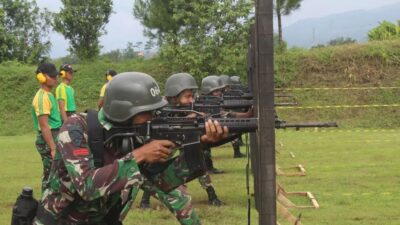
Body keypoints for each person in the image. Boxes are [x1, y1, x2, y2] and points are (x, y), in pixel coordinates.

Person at [34, 72, 227, 225]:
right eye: (147, 112)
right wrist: (140, 155)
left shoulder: (132, 136)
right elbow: (87, 186)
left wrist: (199, 145)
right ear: (124, 111)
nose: (153, 117)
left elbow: (163, 182)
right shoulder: (75, 129)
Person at [140, 73, 224, 208]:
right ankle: (145, 200)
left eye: (192, 96)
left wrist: (199, 118)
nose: (191, 100)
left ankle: (212, 195)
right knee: (152, 167)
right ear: (173, 97)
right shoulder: (158, 109)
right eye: (187, 96)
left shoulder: (188, 107)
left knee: (196, 158)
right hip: (161, 146)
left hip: (181, 141)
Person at [31, 63, 62, 194]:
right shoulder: (42, 97)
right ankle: (46, 205)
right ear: (41, 77)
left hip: (54, 136)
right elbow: (44, 126)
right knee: (51, 175)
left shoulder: (49, 95)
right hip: (48, 139)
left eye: (56, 76)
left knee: (55, 173)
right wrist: (53, 148)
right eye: (52, 76)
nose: (55, 79)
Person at [219, 75, 245, 158]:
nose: (228, 89)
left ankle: (237, 152)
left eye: (228, 87)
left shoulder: (224, 94)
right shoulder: (219, 95)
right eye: (226, 87)